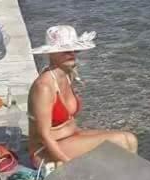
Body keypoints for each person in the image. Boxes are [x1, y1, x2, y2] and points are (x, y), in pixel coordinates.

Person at [27, 25, 138, 167]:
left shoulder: (67, 75)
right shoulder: (43, 87)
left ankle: (126, 179)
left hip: (71, 137)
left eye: (74, 50)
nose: (71, 54)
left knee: (130, 139)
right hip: (45, 151)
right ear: (51, 54)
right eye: (65, 51)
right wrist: (68, 166)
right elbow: (44, 136)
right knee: (120, 140)